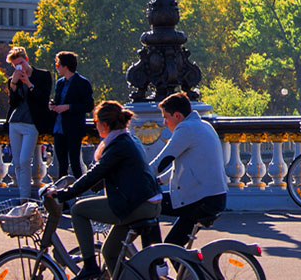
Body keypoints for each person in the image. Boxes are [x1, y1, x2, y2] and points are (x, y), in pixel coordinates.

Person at [52, 101, 161, 280]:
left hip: (136, 205)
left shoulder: (118, 145)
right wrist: (89, 186)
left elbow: (95, 173)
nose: (95, 126)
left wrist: (64, 194)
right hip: (144, 202)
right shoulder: (127, 139)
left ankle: (89, 266)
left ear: (104, 125)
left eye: (96, 122)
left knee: (78, 210)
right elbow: (105, 173)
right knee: (109, 252)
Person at [149, 92, 228, 245]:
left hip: (199, 199)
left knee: (148, 204)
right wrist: (159, 180)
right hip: (214, 198)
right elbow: (180, 165)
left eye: (166, 117)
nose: (164, 122)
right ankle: (191, 269)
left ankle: (156, 259)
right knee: (173, 245)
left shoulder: (185, 128)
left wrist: (139, 176)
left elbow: (163, 160)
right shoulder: (204, 125)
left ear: (177, 116)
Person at [4, 47, 55, 198]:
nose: (19, 67)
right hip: (15, 122)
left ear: (26, 60)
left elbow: (43, 98)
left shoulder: (43, 75)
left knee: (25, 160)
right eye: (15, 65)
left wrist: (29, 84)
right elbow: (13, 103)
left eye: (20, 63)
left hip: (32, 123)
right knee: (18, 163)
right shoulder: (14, 80)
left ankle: (25, 197)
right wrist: (13, 84)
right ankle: (23, 196)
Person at [49, 51, 94, 179]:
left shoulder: (82, 83)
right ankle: (62, 193)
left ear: (65, 66)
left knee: (75, 162)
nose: (56, 67)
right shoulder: (60, 83)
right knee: (61, 164)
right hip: (59, 127)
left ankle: (78, 192)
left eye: (58, 65)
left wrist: (68, 107)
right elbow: (58, 101)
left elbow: (89, 106)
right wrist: (53, 105)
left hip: (73, 127)